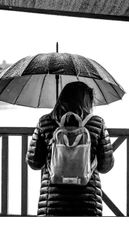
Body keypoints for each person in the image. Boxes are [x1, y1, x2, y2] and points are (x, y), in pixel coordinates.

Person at [26, 81, 114, 216]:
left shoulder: (45, 121)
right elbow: (105, 166)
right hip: (87, 202)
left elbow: (34, 163)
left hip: (53, 202)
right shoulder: (97, 122)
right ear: (86, 101)